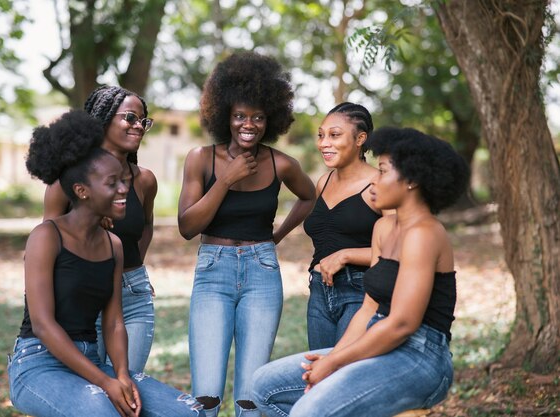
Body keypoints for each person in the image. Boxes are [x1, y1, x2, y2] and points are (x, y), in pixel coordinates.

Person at [252, 127, 470, 417]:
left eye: (382, 172)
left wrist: (334, 364)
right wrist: (334, 357)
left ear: (412, 180)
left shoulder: (425, 234)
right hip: (376, 340)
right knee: (263, 386)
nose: (373, 182)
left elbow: (402, 324)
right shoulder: (383, 228)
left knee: (308, 412)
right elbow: (369, 309)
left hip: (421, 357)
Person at [7, 110, 203, 417]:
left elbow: (113, 321)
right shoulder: (46, 237)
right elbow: (44, 326)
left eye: (124, 181)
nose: (124, 189)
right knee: (105, 412)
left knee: (189, 412)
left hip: (94, 360)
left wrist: (122, 374)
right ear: (82, 191)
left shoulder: (112, 245)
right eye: (113, 183)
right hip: (37, 364)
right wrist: (105, 382)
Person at [178, 51, 316, 417]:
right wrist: (226, 179)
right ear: (225, 115)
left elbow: (309, 196)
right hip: (213, 272)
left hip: (262, 273)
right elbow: (188, 227)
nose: (248, 124)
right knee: (205, 397)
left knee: (251, 398)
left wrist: (279, 236)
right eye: (240, 115)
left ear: (271, 119)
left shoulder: (281, 163)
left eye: (258, 117)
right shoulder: (200, 158)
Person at [43, 86, 157, 373]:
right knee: (90, 391)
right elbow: (46, 241)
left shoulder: (144, 181)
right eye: (130, 118)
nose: (138, 126)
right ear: (103, 120)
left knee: (127, 383)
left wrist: (134, 269)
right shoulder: (67, 181)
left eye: (143, 121)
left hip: (133, 298)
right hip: (83, 294)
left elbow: (145, 226)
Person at [303, 102, 384, 350]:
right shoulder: (323, 182)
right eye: (321, 135)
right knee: (319, 378)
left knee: (343, 376)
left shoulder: (380, 185)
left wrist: (345, 255)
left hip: (360, 291)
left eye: (334, 135)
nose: (323, 143)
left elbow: (399, 252)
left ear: (360, 138)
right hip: (319, 291)